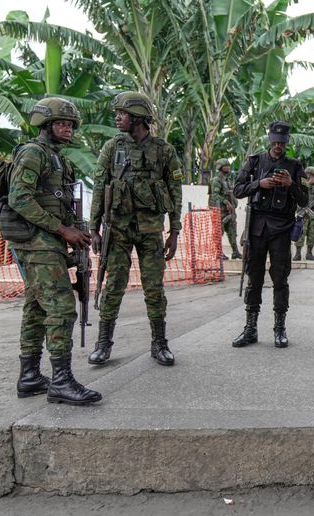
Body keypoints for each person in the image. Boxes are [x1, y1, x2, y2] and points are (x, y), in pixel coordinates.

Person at [9, 97, 101, 405]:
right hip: (37, 243)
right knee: (61, 309)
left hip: (48, 242)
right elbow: (19, 199)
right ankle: (61, 381)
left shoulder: (60, 159)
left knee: (36, 309)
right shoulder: (33, 153)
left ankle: (30, 376)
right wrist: (63, 230)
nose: (68, 129)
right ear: (45, 125)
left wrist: (79, 229)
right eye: (62, 123)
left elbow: (64, 202)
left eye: (71, 125)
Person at [88, 92, 183, 367]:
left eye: (123, 113)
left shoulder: (164, 150)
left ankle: (159, 344)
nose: (117, 117)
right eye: (117, 113)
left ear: (139, 117)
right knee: (114, 285)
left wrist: (174, 231)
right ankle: (103, 344)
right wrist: (94, 227)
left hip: (151, 230)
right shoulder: (112, 147)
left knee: (154, 288)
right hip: (117, 229)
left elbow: (175, 192)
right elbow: (99, 187)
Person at [231, 121, 309, 348]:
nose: (278, 146)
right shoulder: (255, 162)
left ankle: (279, 329)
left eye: (282, 143)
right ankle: (250, 329)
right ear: (269, 140)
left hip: (281, 230)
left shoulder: (295, 166)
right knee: (254, 279)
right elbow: (237, 190)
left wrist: (291, 183)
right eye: (275, 142)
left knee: (280, 279)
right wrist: (259, 183)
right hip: (256, 229)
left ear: (286, 143)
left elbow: (305, 199)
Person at [210, 158, 241, 260]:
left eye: (228, 165)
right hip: (219, 211)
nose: (227, 167)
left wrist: (233, 202)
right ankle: (218, 253)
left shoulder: (227, 180)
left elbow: (231, 194)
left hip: (230, 212)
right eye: (225, 166)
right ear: (220, 167)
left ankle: (235, 252)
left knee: (232, 231)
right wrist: (226, 202)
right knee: (219, 232)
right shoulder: (216, 180)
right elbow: (215, 195)